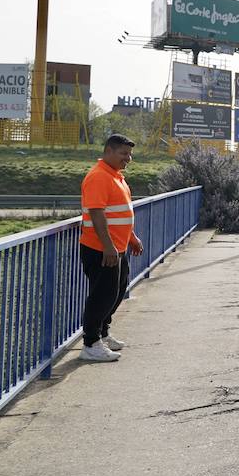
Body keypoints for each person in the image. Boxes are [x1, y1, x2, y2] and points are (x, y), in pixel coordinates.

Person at [78, 134, 143, 362]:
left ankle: (103, 334)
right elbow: (96, 213)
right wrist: (108, 246)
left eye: (129, 154)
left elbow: (118, 212)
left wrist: (131, 237)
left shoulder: (116, 177)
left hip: (117, 247)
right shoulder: (98, 177)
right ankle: (91, 343)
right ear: (108, 151)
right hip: (101, 248)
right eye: (123, 153)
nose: (129, 158)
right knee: (102, 295)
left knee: (116, 292)